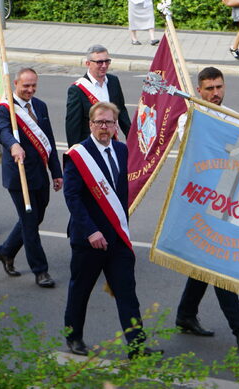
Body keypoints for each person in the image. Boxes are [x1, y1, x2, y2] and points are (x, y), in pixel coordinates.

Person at [63, 101, 161, 359]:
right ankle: (74, 338)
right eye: (99, 122)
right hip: (89, 239)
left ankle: (137, 347)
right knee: (80, 291)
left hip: (117, 239)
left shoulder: (121, 150)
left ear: (115, 125)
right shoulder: (78, 155)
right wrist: (91, 231)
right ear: (90, 124)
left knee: (127, 292)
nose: (104, 127)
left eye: (108, 122)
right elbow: (72, 197)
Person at [174, 67, 239, 351]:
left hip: (228, 202)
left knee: (206, 264)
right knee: (218, 265)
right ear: (199, 90)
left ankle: (186, 314)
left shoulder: (237, 119)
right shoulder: (188, 120)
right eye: (209, 89)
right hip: (200, 205)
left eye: (219, 87)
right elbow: (198, 155)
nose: (215, 93)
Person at [0, 68, 63, 288]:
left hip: (39, 173)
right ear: (15, 83)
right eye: (26, 86)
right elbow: (2, 131)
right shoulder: (6, 109)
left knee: (36, 216)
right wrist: (14, 145)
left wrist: (56, 173)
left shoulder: (40, 106)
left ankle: (6, 251)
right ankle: (40, 271)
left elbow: (49, 140)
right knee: (30, 223)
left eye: (34, 85)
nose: (30, 90)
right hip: (19, 175)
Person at [65, 45, 131, 147]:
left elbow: (121, 110)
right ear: (88, 63)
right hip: (90, 146)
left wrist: (131, 136)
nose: (104, 65)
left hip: (111, 142)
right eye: (99, 62)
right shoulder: (77, 90)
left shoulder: (113, 81)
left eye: (107, 61)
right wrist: (75, 152)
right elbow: (73, 126)